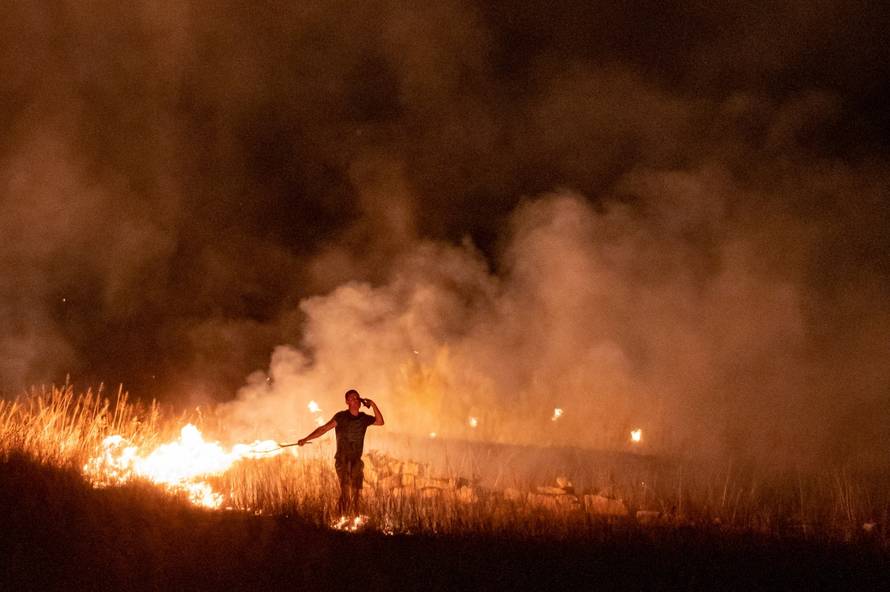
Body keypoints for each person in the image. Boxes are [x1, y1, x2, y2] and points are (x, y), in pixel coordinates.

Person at [296, 389, 384, 514]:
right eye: (352, 398)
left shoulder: (364, 418)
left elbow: (380, 422)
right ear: (347, 401)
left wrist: (373, 404)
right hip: (342, 460)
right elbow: (324, 428)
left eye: (357, 397)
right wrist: (306, 439)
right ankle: (341, 517)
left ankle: (355, 518)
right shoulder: (341, 417)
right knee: (346, 491)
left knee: (356, 493)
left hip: (356, 461)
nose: (356, 400)